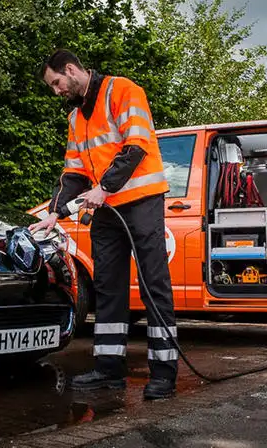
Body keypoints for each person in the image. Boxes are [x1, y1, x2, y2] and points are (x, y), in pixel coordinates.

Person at [29, 49, 178, 400]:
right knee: (108, 287)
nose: (56, 91)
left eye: (56, 83)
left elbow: (137, 145)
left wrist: (104, 187)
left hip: (141, 202)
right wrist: (55, 211)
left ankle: (164, 375)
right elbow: (74, 173)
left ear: (70, 69)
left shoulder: (123, 91)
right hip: (107, 211)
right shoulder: (75, 119)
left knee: (153, 284)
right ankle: (109, 370)